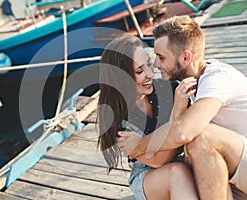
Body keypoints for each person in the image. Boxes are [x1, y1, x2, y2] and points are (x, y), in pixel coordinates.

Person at [117, 15, 247, 200]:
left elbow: (182, 133)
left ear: (186, 57)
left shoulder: (217, 79)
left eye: (161, 57)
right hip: (235, 174)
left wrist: (139, 144)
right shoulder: (189, 86)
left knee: (201, 137)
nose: (155, 65)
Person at [97, 35, 198, 200]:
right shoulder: (117, 119)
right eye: (139, 71)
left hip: (184, 160)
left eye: (149, 65)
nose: (150, 74)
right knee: (176, 173)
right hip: (149, 175)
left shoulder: (168, 88)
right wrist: (178, 110)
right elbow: (159, 160)